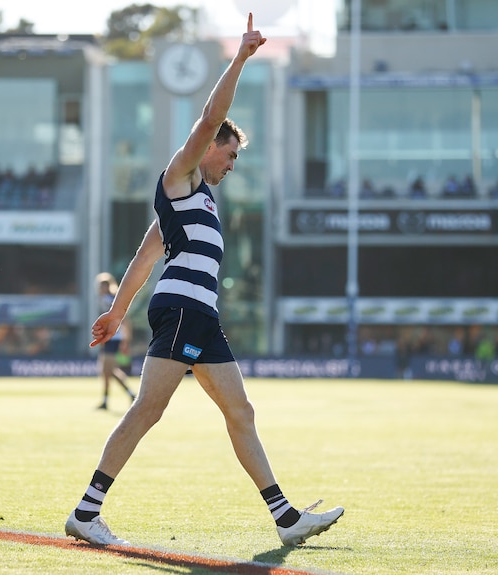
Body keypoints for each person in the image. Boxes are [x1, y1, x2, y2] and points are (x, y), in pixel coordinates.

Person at [65, 13, 343, 548]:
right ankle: (86, 511)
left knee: (240, 410)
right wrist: (239, 57)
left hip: (198, 316)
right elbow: (211, 115)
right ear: (212, 146)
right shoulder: (183, 173)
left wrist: (117, 313)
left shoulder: (197, 201)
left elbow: (145, 257)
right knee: (149, 408)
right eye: (232, 153)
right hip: (183, 312)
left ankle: (286, 519)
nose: (233, 164)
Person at [94, 272, 136, 410]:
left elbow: (125, 319)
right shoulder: (106, 299)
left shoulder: (110, 299)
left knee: (107, 370)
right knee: (108, 371)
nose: (99, 289)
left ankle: (107, 400)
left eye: (101, 286)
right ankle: (129, 394)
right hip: (109, 338)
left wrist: (126, 340)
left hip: (115, 338)